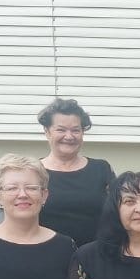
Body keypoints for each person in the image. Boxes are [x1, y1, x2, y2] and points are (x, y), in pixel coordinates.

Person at [37, 98, 115, 246]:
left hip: (95, 254)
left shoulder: (101, 169)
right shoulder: (33, 171)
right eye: (61, 130)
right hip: (47, 253)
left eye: (75, 130)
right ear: (47, 132)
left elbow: (117, 212)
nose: (69, 136)